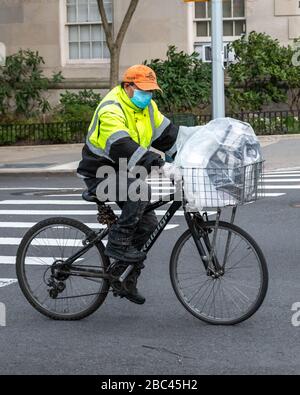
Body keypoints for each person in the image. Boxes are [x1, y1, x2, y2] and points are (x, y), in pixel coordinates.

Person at [77, 65, 180, 304]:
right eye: (143, 90)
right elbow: (121, 144)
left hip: (124, 172)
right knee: (140, 190)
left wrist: (189, 156)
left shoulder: (148, 108)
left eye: (151, 91)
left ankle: (124, 277)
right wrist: (160, 163)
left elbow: (169, 136)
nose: (148, 95)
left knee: (148, 225)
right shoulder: (111, 108)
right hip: (99, 172)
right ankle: (117, 244)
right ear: (128, 87)